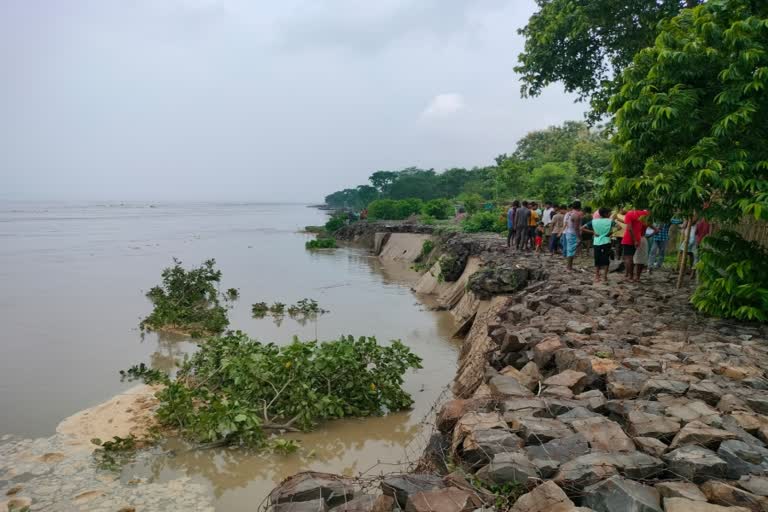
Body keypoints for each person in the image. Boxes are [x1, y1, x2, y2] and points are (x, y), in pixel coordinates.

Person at [581, 207, 616, 283]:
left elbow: (582, 228)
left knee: (597, 259)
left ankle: (597, 276)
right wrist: (611, 233)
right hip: (606, 241)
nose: (610, 214)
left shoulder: (594, 221)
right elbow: (619, 227)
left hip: (596, 242)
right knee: (606, 259)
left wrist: (593, 232)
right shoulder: (610, 221)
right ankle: (605, 277)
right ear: (606, 214)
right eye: (609, 213)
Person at [620, 208, 650, 282]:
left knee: (628, 258)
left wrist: (634, 240)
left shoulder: (629, 214)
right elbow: (646, 227)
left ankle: (630, 276)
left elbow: (629, 228)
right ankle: (637, 277)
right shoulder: (646, 215)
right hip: (640, 238)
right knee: (639, 259)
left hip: (628, 239)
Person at [562, 201, 583, 271]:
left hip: (568, 232)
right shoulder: (576, 215)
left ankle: (569, 266)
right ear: (579, 207)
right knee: (571, 250)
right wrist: (579, 237)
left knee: (569, 250)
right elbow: (576, 228)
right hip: (573, 233)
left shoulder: (569, 213)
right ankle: (569, 267)